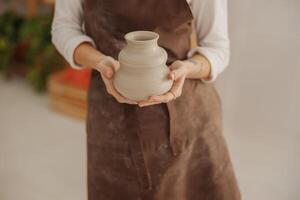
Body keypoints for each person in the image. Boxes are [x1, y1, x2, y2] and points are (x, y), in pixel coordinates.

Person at [51, 0, 241, 199]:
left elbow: (217, 48)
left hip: (187, 117)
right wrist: (100, 62)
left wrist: (188, 68)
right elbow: (64, 28)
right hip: (110, 119)